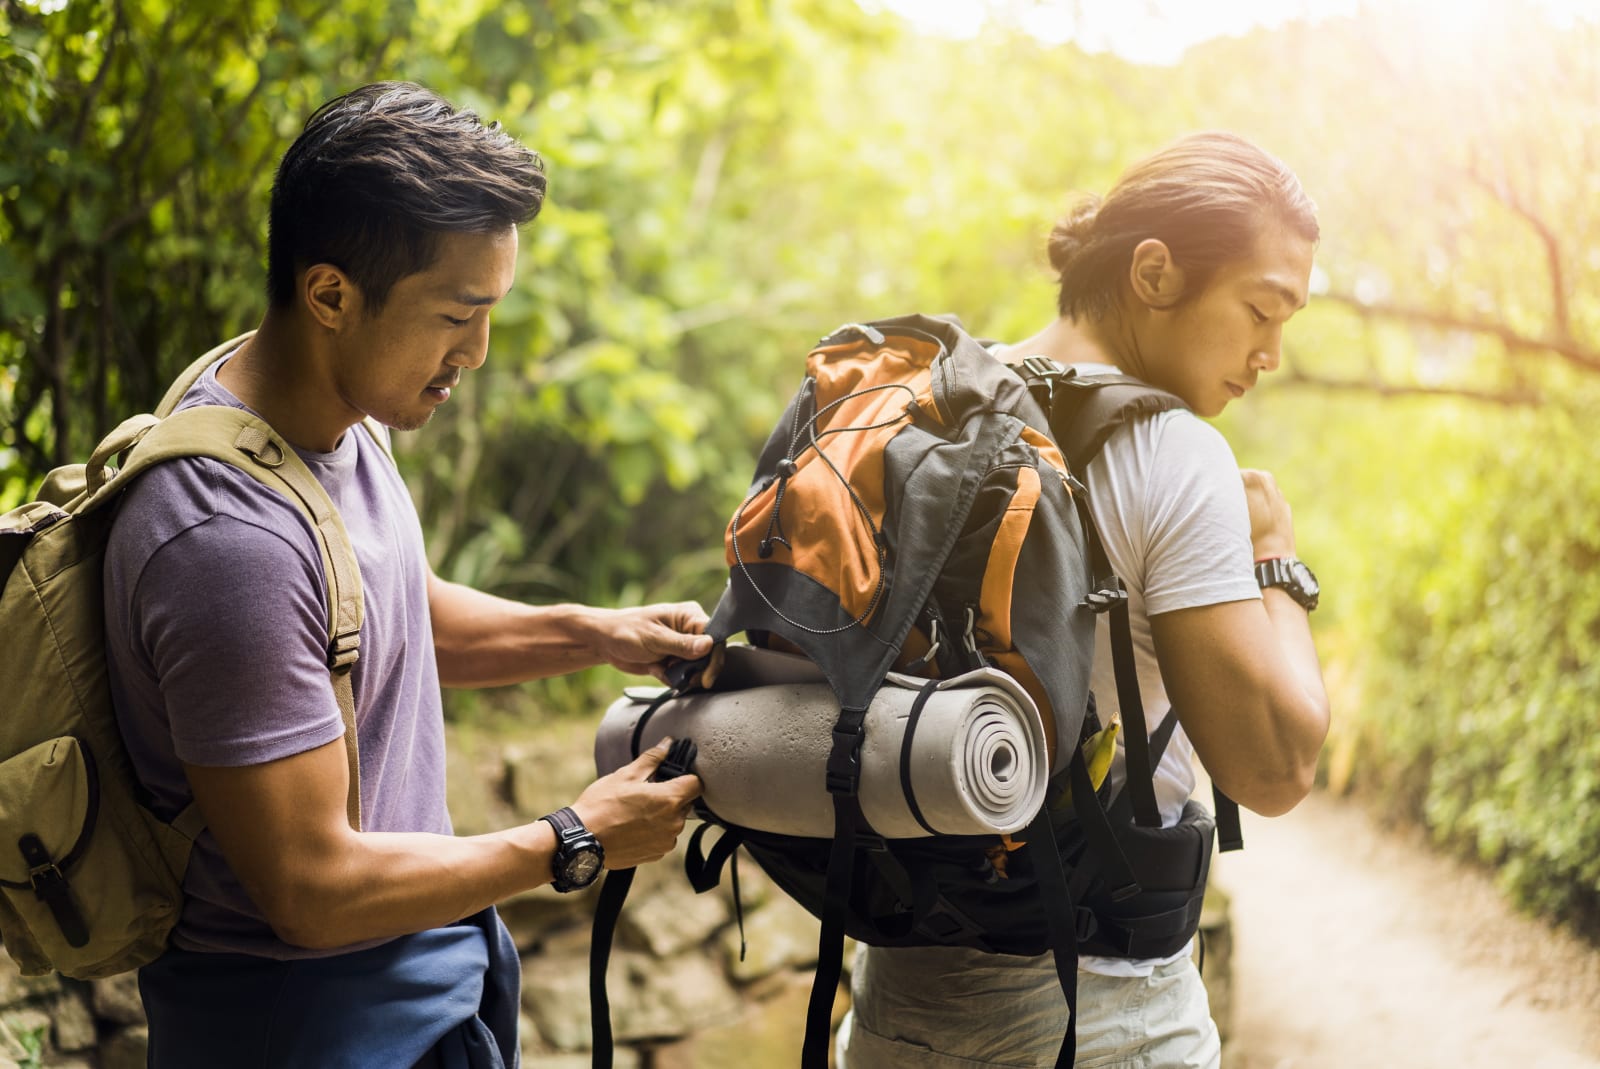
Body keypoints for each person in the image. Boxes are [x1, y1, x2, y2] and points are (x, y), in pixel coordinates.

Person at [103, 81, 708, 1068]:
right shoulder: (225, 541)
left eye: (490, 311)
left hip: (425, 973)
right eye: (454, 315)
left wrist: (592, 632)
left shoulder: (341, 411)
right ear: (330, 295)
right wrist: (572, 835)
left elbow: (378, 621)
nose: (475, 351)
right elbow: (311, 889)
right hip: (306, 1021)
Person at [837, 131, 1333, 1067]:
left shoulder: (925, 413)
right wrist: (1275, 556)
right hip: (1104, 1017)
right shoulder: (1178, 455)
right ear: (1153, 271)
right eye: (1262, 310)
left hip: (893, 1004)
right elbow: (1276, 765)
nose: (1272, 352)